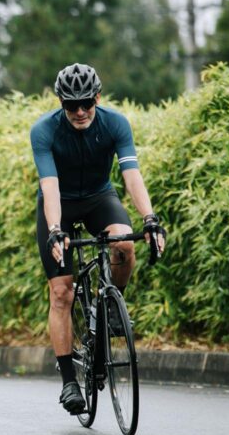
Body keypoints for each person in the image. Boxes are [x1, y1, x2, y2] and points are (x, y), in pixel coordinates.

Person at [29, 64, 166, 415]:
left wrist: (149, 219)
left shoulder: (115, 123)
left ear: (97, 98)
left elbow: (131, 175)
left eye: (86, 103)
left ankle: (109, 306)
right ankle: (68, 382)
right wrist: (56, 229)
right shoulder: (44, 131)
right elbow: (50, 186)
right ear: (60, 102)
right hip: (59, 204)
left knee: (123, 245)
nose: (79, 112)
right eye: (71, 105)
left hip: (98, 199)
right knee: (61, 291)